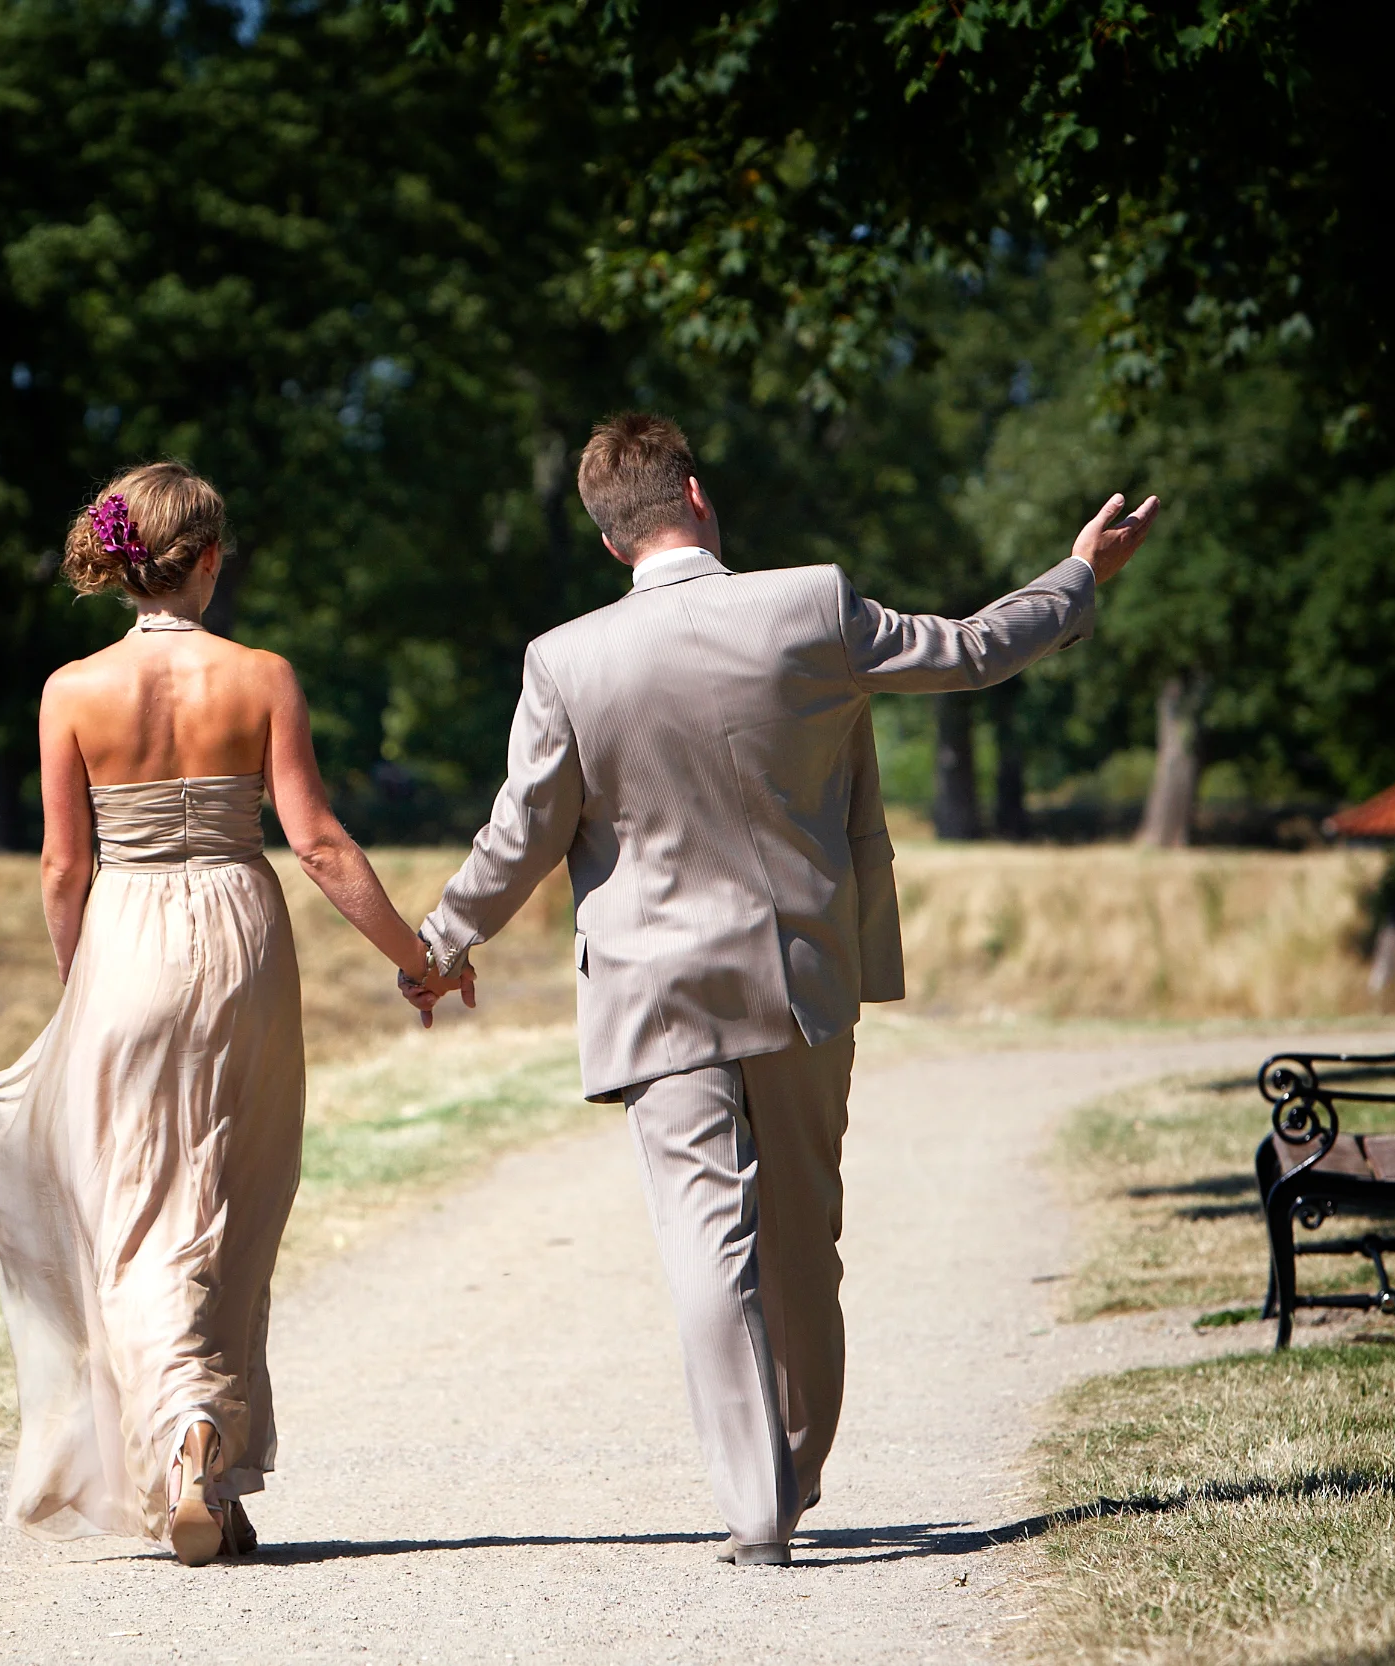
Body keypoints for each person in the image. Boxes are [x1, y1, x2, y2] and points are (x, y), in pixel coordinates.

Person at [401, 414, 1156, 1566]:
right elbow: (967, 649)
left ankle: (753, 1503)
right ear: (697, 497)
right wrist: (1076, 576)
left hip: (654, 993)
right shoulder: (811, 606)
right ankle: (795, 1471)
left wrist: (444, 940)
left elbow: (521, 833)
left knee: (707, 1239)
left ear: (612, 543)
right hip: (798, 968)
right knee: (804, 1230)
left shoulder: (564, 661)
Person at [0, 462, 456, 1567]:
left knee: (137, 1209)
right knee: (234, 1198)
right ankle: (210, 1448)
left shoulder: (70, 688)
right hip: (243, 934)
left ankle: (190, 1447)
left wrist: (78, 985)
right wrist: (417, 958)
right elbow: (322, 845)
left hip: (126, 943)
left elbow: (63, 866)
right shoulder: (263, 675)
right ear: (204, 560)